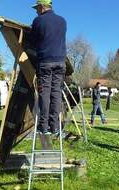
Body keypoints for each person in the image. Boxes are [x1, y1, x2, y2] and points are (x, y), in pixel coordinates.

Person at [23, 0, 67, 135]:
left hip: (45, 62)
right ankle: (54, 127)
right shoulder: (62, 21)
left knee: (45, 94)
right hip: (60, 62)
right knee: (56, 93)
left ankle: (43, 126)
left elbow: (32, 40)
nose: (36, 11)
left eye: (37, 8)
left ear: (42, 7)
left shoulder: (38, 21)